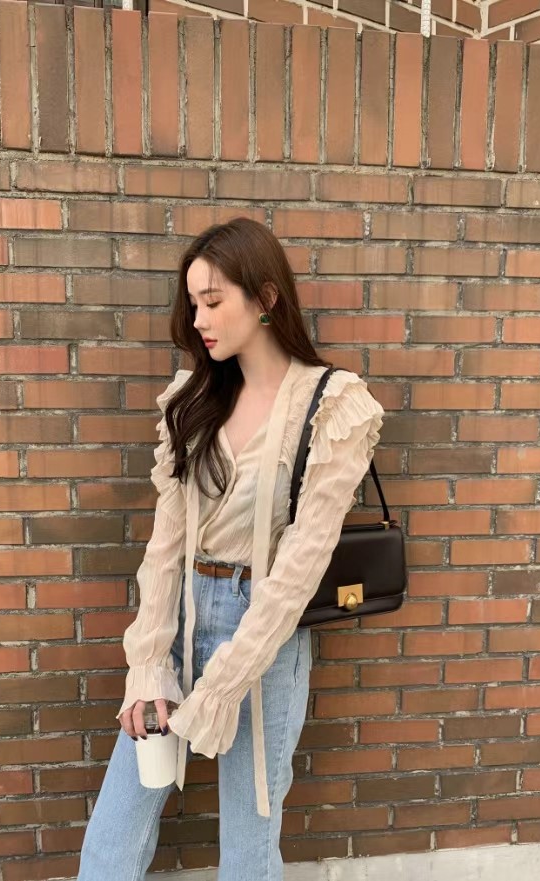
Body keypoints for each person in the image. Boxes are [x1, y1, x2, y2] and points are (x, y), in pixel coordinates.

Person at [77, 217, 385, 880]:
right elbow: (165, 548)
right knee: (112, 837)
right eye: (193, 303)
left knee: (249, 846)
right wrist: (148, 664)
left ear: (266, 297)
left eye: (213, 301)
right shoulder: (194, 399)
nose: (200, 319)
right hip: (181, 619)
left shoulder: (333, 407)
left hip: (266, 639)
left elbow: (300, 565)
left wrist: (223, 685)